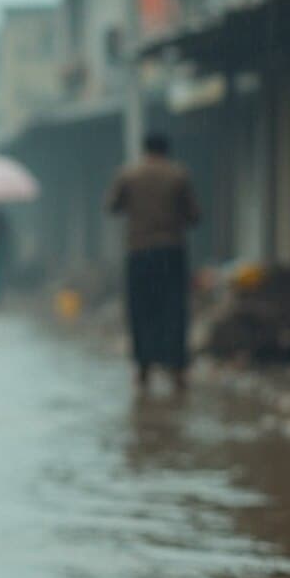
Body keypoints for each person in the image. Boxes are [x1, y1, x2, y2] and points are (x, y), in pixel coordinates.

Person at [107, 131, 202, 393]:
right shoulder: (178, 175)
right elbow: (195, 215)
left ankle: (143, 367)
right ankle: (177, 367)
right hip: (171, 250)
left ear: (144, 149)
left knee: (141, 308)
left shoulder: (129, 174)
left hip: (139, 251)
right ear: (166, 149)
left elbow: (112, 206)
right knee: (173, 307)